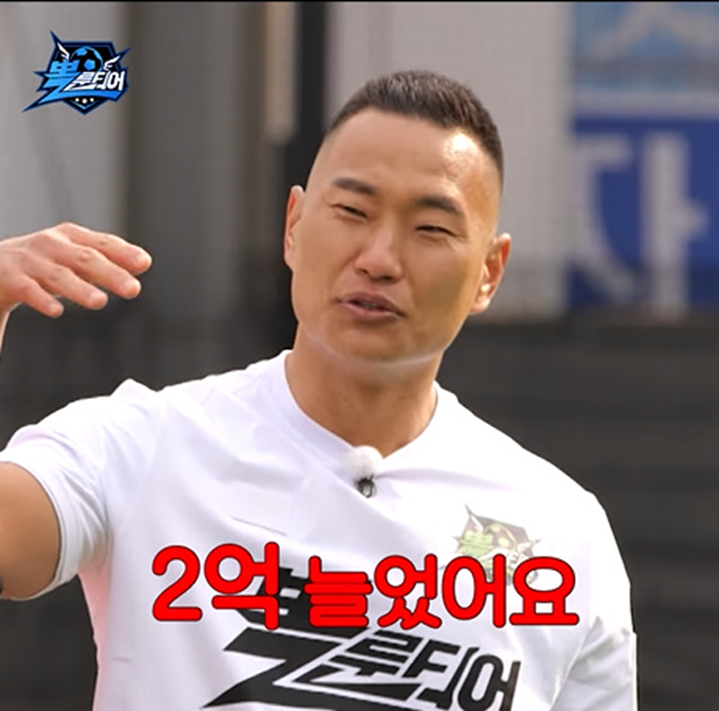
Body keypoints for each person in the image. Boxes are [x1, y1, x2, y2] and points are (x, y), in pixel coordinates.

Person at [0, 69, 635, 710]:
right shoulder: (142, 446)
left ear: (489, 273)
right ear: (294, 225)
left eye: (430, 228)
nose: (379, 257)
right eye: (352, 212)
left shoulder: (563, 530)